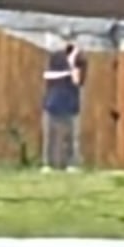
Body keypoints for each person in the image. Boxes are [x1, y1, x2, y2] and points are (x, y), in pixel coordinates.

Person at [40, 38, 86, 171]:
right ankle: (48, 164)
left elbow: (77, 81)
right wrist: (66, 71)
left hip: (71, 104)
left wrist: (72, 64)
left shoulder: (81, 60)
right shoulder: (55, 57)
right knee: (50, 136)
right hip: (52, 102)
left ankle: (71, 164)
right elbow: (48, 75)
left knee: (71, 137)